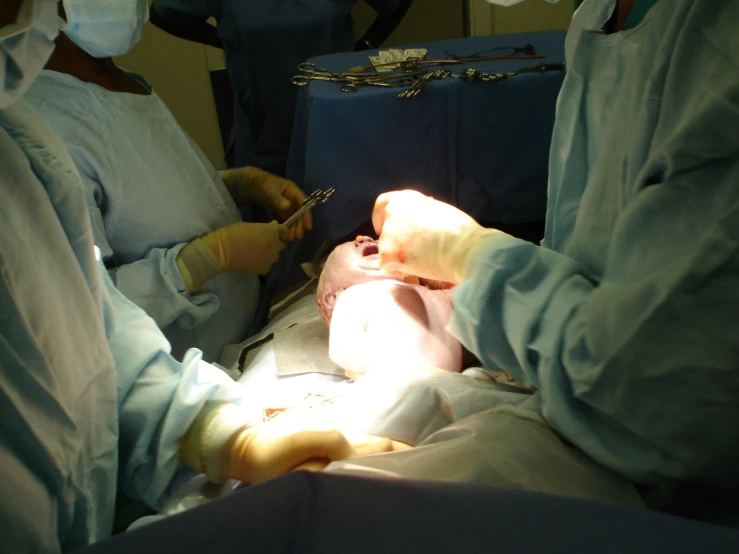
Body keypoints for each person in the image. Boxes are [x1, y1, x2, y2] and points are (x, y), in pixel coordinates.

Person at [0, 0, 394, 551]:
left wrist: (218, 436)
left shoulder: (26, 139)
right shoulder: (45, 119)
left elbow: (88, 321)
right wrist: (205, 259)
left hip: (208, 366)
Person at [372, 0, 739, 493]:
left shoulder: (719, 39)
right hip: (571, 410)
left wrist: (473, 259)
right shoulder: (597, 15)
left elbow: (662, 405)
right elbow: (590, 255)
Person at [24, 0, 315, 363]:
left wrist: (238, 183)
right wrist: (205, 259)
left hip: (246, 323)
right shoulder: (45, 132)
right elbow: (82, 309)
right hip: (191, 367)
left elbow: (148, 194)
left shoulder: (117, 81)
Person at [149, 0, 414, 176]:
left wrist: (366, 45)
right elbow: (163, 15)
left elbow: (396, 4)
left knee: (346, 215)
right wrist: (227, 41)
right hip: (265, 120)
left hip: (337, 115)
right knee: (274, 223)